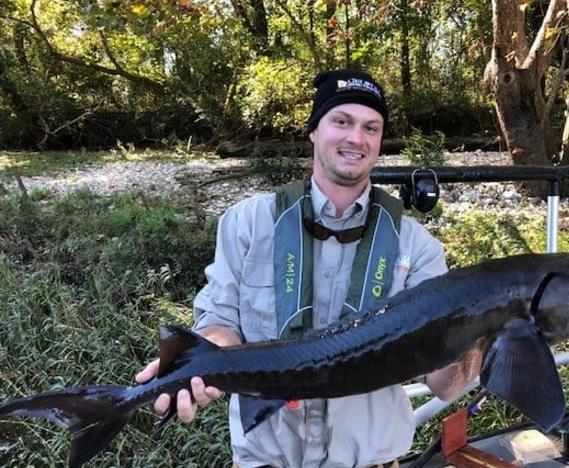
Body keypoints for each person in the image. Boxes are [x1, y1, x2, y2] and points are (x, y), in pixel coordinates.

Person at [136, 69, 482, 467]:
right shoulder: (248, 223)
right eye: (341, 122)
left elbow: (441, 384)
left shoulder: (417, 246)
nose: (356, 138)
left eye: (371, 127)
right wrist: (196, 366)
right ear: (314, 131)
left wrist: (488, 340)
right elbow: (220, 321)